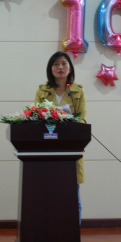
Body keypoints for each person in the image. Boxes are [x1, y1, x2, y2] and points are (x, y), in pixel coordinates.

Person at [34, 52, 87, 224]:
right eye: (56, 64)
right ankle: (48, 232)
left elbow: (82, 119)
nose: (60, 67)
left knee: (72, 197)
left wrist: (67, 121)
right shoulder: (42, 90)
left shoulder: (77, 91)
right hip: (47, 148)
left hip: (69, 149)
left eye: (64, 63)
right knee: (47, 196)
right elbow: (35, 116)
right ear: (50, 69)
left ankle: (73, 235)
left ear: (70, 68)